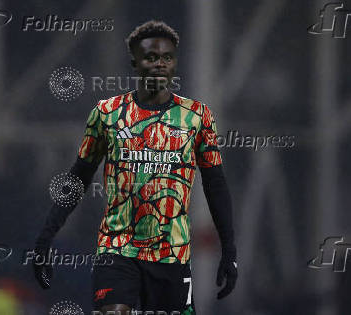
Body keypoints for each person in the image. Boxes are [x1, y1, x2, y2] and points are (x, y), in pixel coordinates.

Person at [33, 20, 237, 315]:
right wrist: (45, 238)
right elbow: (79, 177)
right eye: (151, 58)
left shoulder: (197, 116)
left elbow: (215, 183)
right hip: (117, 250)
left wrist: (229, 250)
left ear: (175, 63)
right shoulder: (107, 114)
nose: (159, 65)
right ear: (135, 62)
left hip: (171, 253)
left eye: (166, 58)